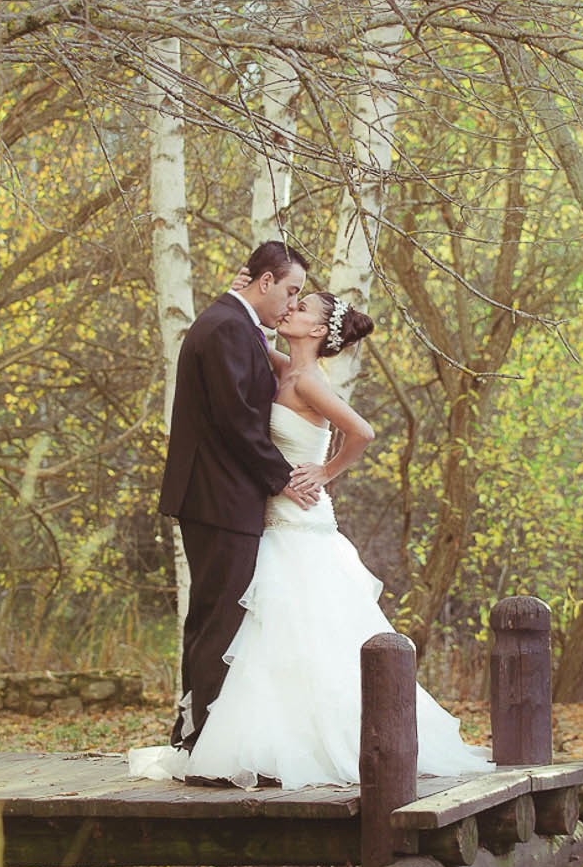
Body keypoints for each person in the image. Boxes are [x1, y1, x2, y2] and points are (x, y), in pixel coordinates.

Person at [134, 282, 491, 788]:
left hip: (298, 523)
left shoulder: (310, 382)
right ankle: (270, 742)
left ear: (319, 330)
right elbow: (249, 339)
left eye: (300, 308)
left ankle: (321, 743)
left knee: (300, 628)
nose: (290, 309)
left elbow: (362, 432)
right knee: (271, 635)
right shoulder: (288, 368)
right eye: (290, 301)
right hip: (273, 521)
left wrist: (326, 472)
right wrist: (238, 297)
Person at [155, 240, 323, 759]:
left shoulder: (235, 323)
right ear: (264, 281)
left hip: (217, 495)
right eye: (289, 290)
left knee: (212, 616)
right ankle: (203, 738)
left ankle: (195, 733)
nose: (291, 304)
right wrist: (284, 478)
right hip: (219, 496)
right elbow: (234, 420)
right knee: (220, 619)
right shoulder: (228, 325)